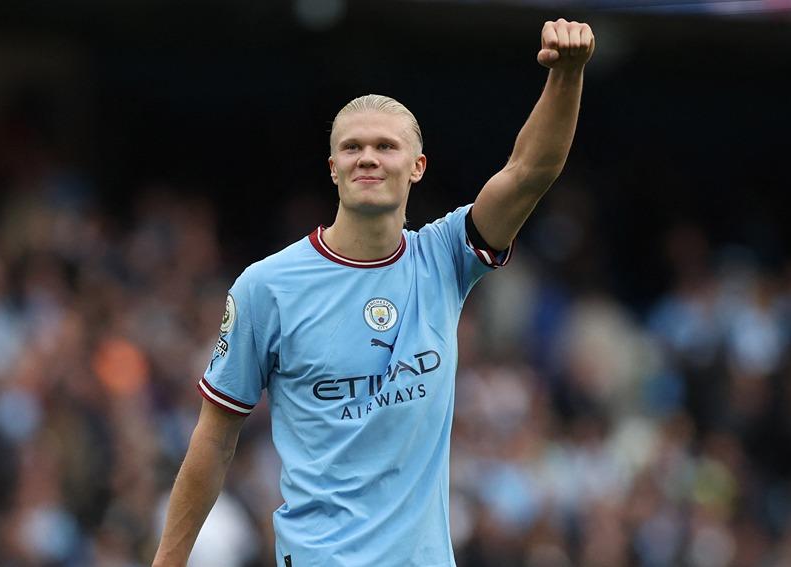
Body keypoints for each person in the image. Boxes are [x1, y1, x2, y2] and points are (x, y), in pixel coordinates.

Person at [153, 18, 595, 567]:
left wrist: (567, 76)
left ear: (417, 167)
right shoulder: (266, 287)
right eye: (352, 147)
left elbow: (530, 171)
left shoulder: (443, 258)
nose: (368, 157)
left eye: (386, 146)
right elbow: (214, 440)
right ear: (333, 167)